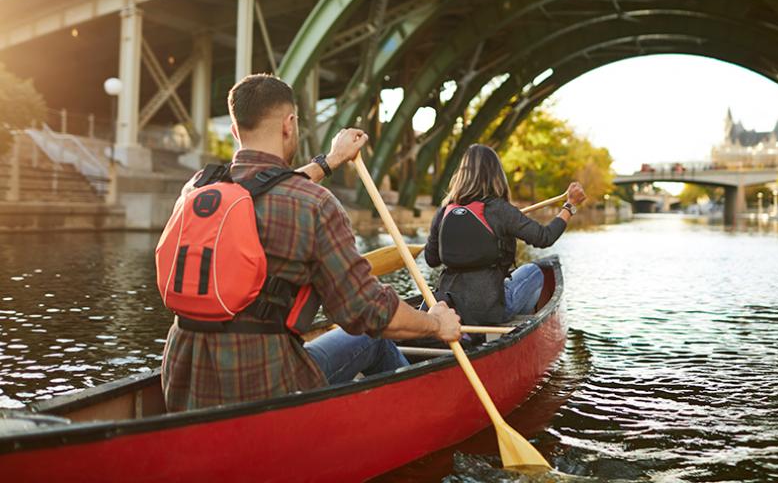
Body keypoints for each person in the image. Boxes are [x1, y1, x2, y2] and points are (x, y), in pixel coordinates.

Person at [161, 73, 461, 412]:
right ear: (289, 125)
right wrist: (437, 323)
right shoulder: (314, 204)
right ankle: (426, 413)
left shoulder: (197, 191)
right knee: (369, 338)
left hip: (183, 376)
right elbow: (367, 311)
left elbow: (264, 186)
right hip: (264, 383)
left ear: (235, 131)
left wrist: (330, 160)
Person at [423, 144, 586, 327]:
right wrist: (569, 206)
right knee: (535, 271)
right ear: (496, 175)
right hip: (489, 310)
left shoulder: (444, 211)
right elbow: (544, 237)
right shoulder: (500, 210)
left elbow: (431, 259)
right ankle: (515, 327)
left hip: (450, 308)